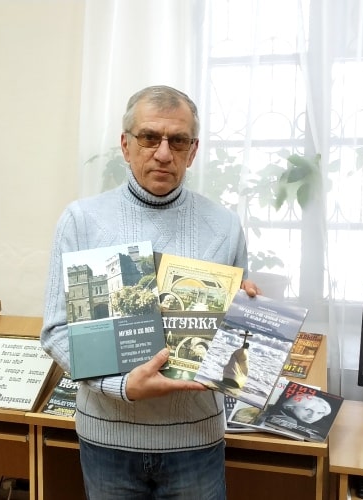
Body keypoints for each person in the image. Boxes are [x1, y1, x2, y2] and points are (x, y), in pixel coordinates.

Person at [41, 85, 258, 499]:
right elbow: (56, 332)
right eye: (149, 137)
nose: (163, 153)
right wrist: (121, 387)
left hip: (196, 441)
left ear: (192, 151)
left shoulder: (225, 226)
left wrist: (249, 317)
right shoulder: (81, 220)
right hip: (107, 438)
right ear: (126, 145)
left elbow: (234, 346)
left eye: (178, 141)